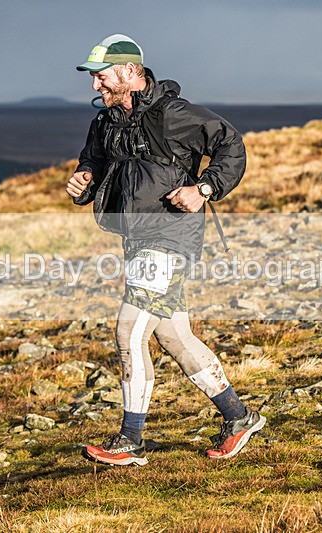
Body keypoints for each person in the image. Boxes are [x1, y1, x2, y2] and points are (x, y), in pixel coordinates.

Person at [67, 34, 264, 466]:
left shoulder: (173, 114)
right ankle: (238, 417)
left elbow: (231, 145)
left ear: (131, 72)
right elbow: (95, 164)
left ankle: (130, 439)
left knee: (128, 330)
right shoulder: (105, 122)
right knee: (174, 334)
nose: (95, 86)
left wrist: (205, 188)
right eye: (94, 79)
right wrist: (82, 181)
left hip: (172, 237)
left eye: (101, 77)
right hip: (136, 239)